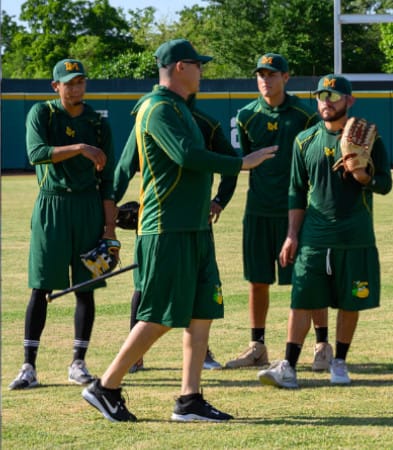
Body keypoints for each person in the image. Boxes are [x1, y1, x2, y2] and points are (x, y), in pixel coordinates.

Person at [81, 38, 276, 422]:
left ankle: (189, 399)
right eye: (198, 65)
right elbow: (187, 156)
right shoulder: (157, 109)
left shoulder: (181, 110)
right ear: (181, 67)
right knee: (160, 313)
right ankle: (106, 386)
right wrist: (243, 163)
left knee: (201, 310)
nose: (203, 70)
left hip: (194, 228)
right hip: (166, 228)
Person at [257, 74, 392, 388]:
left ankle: (340, 362)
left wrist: (361, 174)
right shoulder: (305, 141)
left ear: (349, 100)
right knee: (302, 298)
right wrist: (292, 234)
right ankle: (288, 366)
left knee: (350, 301)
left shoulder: (369, 138)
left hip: (354, 233)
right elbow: (295, 192)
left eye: (333, 96)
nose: (326, 102)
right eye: (321, 96)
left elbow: (384, 184)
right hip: (315, 236)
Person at [113, 93, 240, 373]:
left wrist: (220, 199)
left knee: (199, 289)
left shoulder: (205, 122)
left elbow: (232, 162)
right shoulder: (156, 114)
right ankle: (135, 357)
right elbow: (125, 166)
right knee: (145, 287)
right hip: (160, 223)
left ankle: (201, 354)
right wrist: (109, 208)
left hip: (195, 221)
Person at [10, 59, 117, 390]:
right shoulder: (42, 113)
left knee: (85, 287)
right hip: (52, 204)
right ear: (55, 86)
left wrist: (109, 226)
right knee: (41, 285)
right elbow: (36, 152)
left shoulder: (97, 123)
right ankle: (28, 367)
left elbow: (108, 178)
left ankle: (78, 363)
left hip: (87, 206)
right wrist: (80, 148)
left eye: (80, 81)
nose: (76, 87)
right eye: (69, 83)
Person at [225, 53, 331, 371]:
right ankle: (257, 346)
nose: (265, 80)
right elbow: (244, 161)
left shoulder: (302, 114)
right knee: (257, 281)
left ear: (286, 77)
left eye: (272, 74)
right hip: (258, 210)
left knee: (307, 279)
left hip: (296, 210)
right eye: (261, 74)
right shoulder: (246, 115)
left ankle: (322, 344)